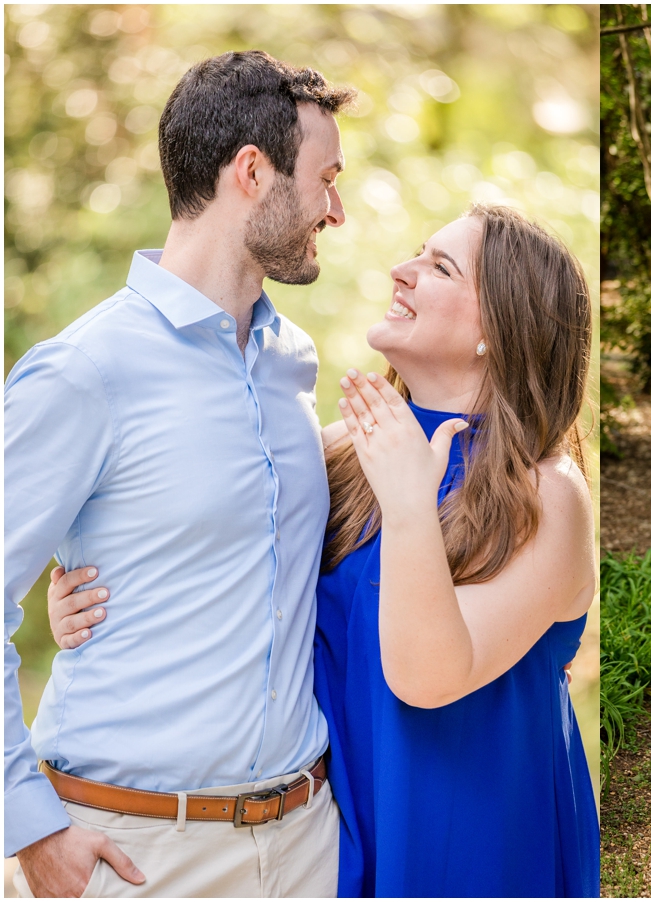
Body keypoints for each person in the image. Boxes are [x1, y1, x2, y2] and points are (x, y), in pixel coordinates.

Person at [50, 206, 602, 896]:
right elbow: (210, 552)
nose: (402, 272)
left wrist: (408, 507)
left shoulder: (548, 496)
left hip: (477, 840)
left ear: (498, 327)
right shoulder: (342, 452)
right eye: (416, 253)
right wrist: (78, 588)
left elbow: (430, 677)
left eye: (439, 267)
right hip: (329, 836)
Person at [5, 50, 354, 897]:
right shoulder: (86, 371)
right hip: (135, 851)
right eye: (327, 178)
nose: (336, 210)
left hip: (305, 843)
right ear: (251, 172)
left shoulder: (293, 363)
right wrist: (28, 825)